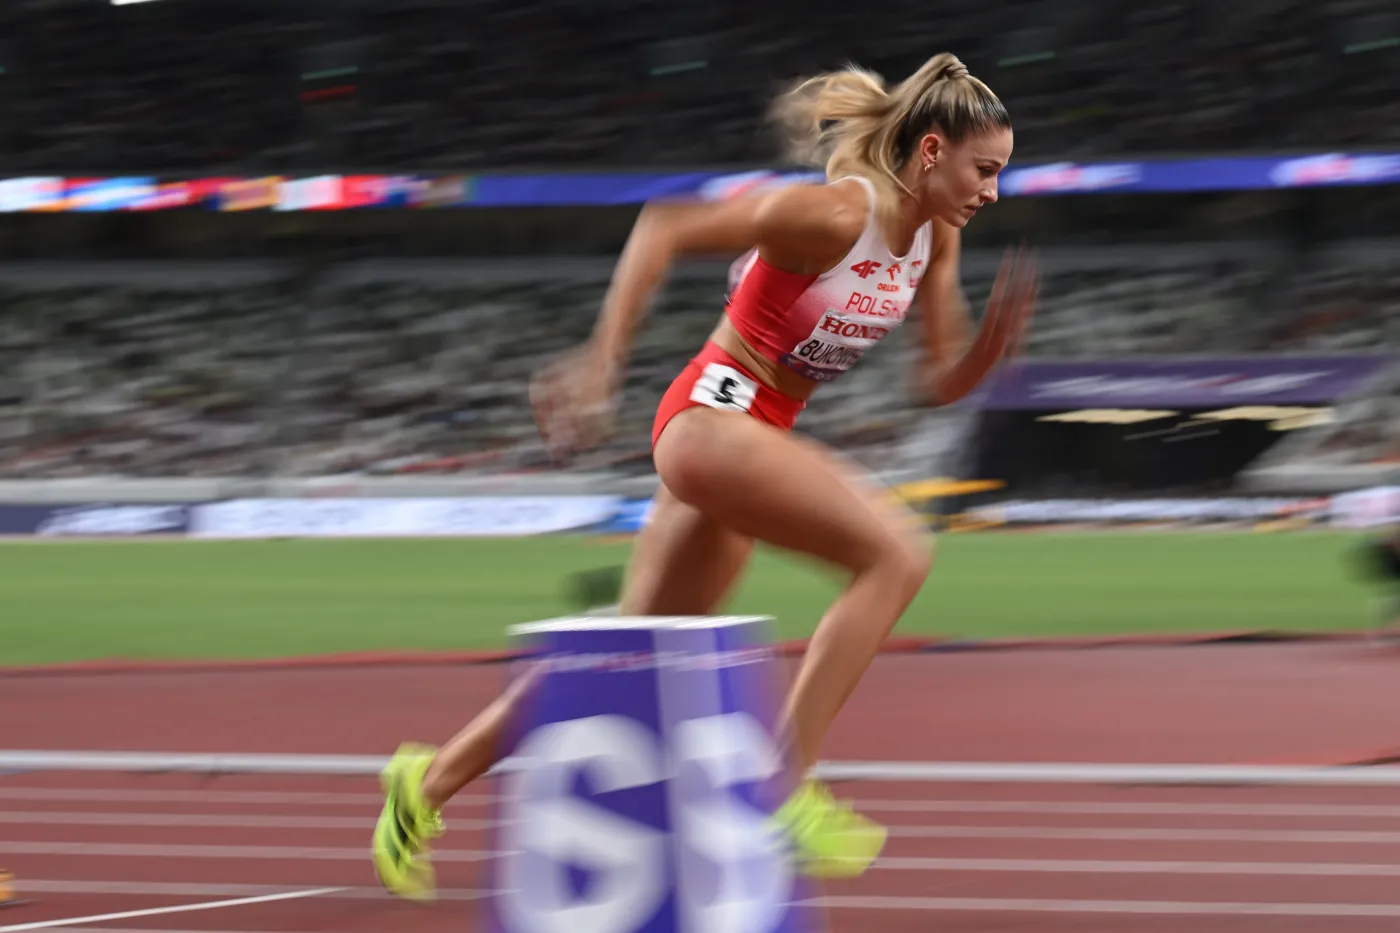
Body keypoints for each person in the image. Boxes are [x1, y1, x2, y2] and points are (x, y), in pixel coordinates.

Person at [372, 51, 1037, 900]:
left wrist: (991, 347)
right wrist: (599, 362)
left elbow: (936, 380)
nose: (992, 191)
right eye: (986, 170)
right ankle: (783, 786)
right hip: (709, 420)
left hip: (750, 433)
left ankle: (421, 785)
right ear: (933, 151)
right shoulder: (837, 215)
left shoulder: (934, 239)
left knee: (630, 649)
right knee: (897, 555)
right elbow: (665, 226)